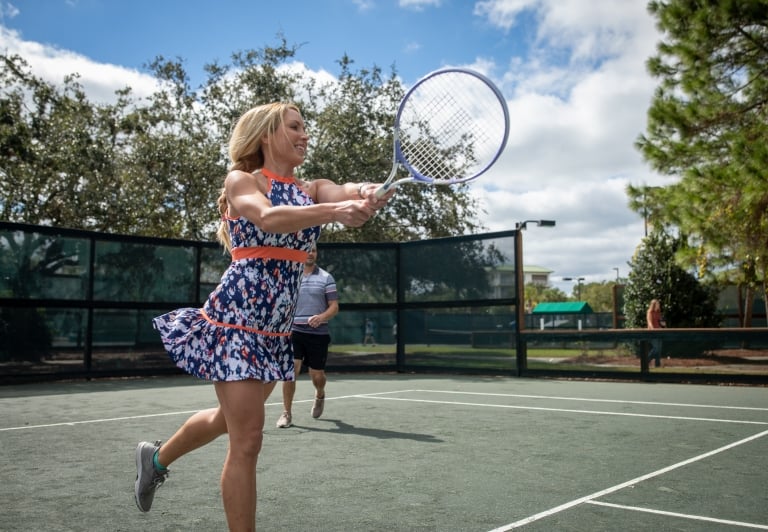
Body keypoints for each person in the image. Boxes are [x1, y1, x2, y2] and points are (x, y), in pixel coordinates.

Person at [133, 102, 394, 531]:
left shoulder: (312, 188)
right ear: (265, 134)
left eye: (306, 128)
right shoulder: (243, 180)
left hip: (274, 330)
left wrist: (368, 193)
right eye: (294, 127)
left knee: (228, 420)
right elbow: (270, 219)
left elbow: (345, 191)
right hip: (235, 320)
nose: (304, 135)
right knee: (248, 439)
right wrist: (335, 212)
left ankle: (155, 459)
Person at [276, 245, 338, 428]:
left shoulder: (326, 278)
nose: (310, 253)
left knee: (317, 375)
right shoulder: (290, 277)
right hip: (294, 332)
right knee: (291, 371)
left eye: (314, 250)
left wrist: (321, 317)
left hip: (318, 334)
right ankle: (286, 414)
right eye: (307, 250)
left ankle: (320, 394)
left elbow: (334, 307)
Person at [646, 298, 666, 367]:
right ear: (653, 305)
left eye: (658, 304)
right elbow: (649, 322)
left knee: (659, 349)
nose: (658, 306)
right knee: (656, 348)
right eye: (657, 304)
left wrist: (663, 325)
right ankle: (646, 360)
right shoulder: (650, 312)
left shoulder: (658, 312)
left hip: (659, 332)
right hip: (652, 332)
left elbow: (661, 322)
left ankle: (657, 364)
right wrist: (653, 329)